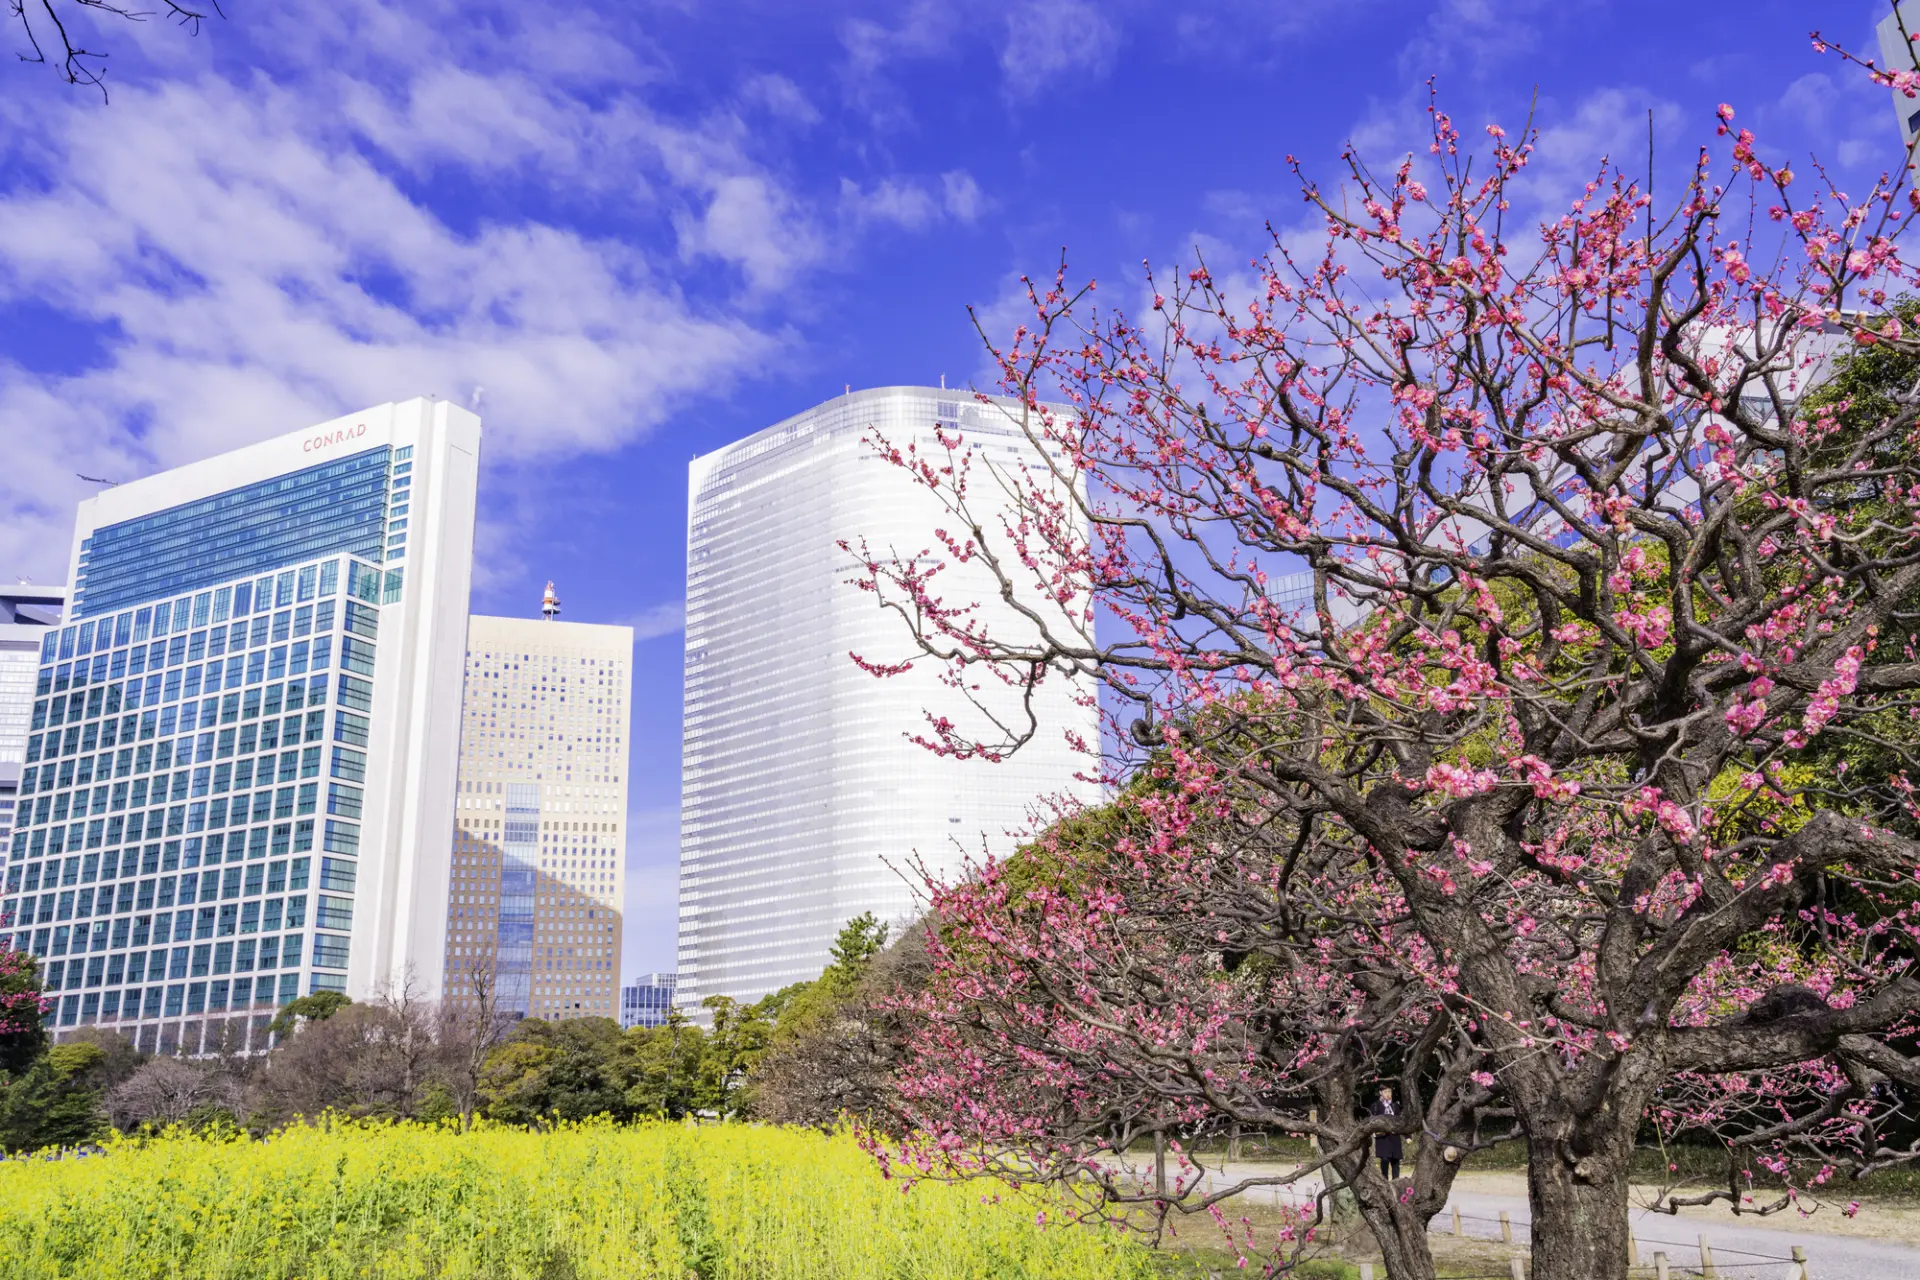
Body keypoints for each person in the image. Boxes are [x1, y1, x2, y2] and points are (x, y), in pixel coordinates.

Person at [1371, 1085, 1404, 1181]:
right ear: (1380, 1093)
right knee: (1384, 1159)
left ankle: (1396, 1182)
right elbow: (1372, 1121)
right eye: (1386, 1092)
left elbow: (1401, 1122)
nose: (1388, 1094)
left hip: (1395, 1138)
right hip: (1383, 1138)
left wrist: (1407, 1136)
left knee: (1395, 1161)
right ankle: (1384, 1180)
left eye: (1390, 1091)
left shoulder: (1395, 1106)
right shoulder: (1375, 1106)